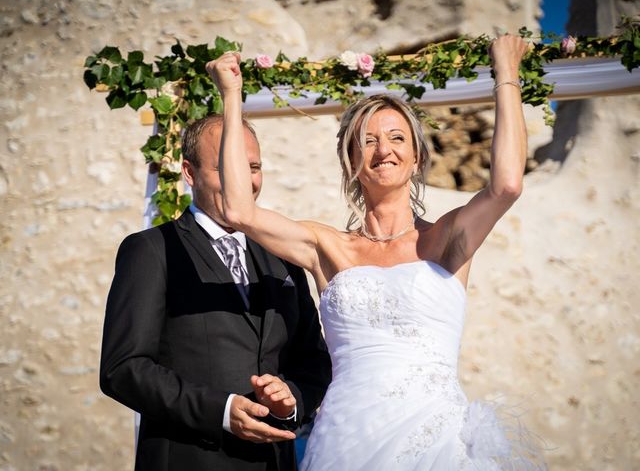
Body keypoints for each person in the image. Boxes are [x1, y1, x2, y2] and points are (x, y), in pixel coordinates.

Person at [207, 34, 544, 470]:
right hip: (348, 441)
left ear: (418, 156)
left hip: (436, 441)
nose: (383, 149)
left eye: (397, 138)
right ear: (351, 160)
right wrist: (232, 96)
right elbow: (237, 208)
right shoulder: (325, 246)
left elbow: (507, 185)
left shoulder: (448, 239)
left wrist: (507, 73)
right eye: (367, 141)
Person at [99, 114, 332, 471]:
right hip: (188, 459)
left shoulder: (284, 257)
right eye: (226, 167)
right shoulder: (152, 250)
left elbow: (313, 361)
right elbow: (124, 368)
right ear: (190, 173)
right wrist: (221, 411)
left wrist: (292, 402)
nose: (243, 180)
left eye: (252, 167)